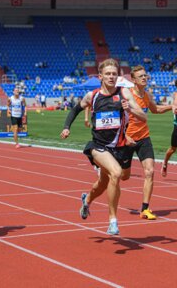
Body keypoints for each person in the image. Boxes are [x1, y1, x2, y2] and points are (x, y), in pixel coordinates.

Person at [60, 59, 146, 235]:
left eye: (114, 74)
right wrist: (67, 127)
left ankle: (87, 199)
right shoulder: (92, 96)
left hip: (119, 147)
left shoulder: (125, 94)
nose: (111, 76)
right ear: (100, 76)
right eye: (108, 74)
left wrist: (129, 108)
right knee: (116, 173)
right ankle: (113, 221)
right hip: (98, 146)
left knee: (104, 182)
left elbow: (143, 117)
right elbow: (75, 109)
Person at [126, 66, 172, 220]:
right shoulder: (127, 95)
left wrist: (172, 107)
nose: (144, 78)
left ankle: (145, 208)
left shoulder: (147, 95)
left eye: (145, 75)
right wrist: (124, 136)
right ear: (133, 80)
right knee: (123, 176)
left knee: (150, 171)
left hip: (144, 137)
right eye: (141, 76)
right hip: (127, 139)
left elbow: (155, 110)